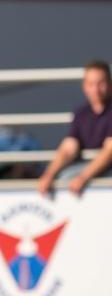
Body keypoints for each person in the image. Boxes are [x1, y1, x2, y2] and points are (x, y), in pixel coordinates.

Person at [37, 59, 112, 197]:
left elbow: (109, 151)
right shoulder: (81, 114)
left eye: (101, 83)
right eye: (91, 84)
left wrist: (83, 177)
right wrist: (48, 175)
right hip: (86, 173)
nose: (95, 89)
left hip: (106, 177)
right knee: (64, 177)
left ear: (110, 84)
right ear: (84, 86)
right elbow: (69, 148)